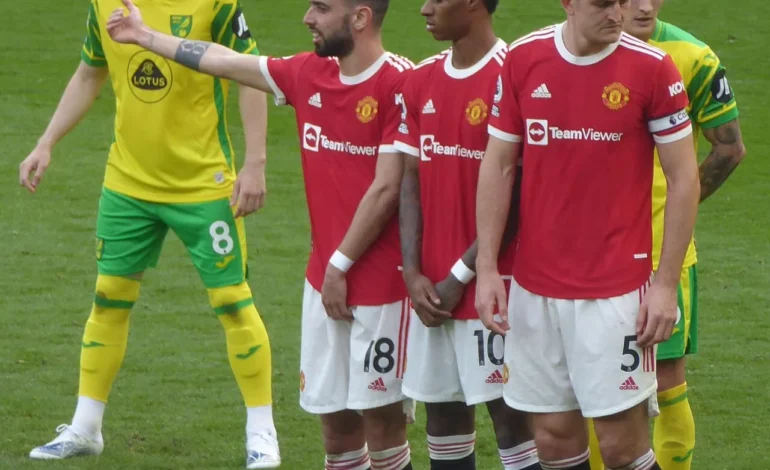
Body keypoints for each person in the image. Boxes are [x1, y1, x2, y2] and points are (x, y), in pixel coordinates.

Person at [104, 0, 416, 469]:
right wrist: (147, 38)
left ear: (359, 18)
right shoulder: (308, 73)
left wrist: (340, 264)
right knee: (335, 428)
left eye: (321, 8)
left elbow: (387, 187)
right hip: (323, 282)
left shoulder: (399, 82)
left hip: (381, 288)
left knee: (382, 426)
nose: (307, 17)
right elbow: (224, 61)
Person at [20, 0, 279, 467]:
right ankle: (86, 427)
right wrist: (46, 141)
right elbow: (89, 71)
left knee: (232, 302)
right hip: (128, 182)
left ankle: (262, 433)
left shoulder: (216, 3)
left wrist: (255, 163)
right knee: (108, 296)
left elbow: (250, 72)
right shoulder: (104, 4)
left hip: (203, 183)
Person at [474, 0, 701, 468]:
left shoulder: (652, 68)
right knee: (554, 439)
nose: (617, 14)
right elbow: (498, 165)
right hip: (535, 289)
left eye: (621, 3)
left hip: (617, 291)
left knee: (620, 445)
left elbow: (684, 179)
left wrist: (664, 285)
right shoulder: (524, 58)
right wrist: (487, 267)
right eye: (603, 3)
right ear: (569, 3)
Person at [584, 2, 746, 470]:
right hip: (587, 257)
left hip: (661, 258)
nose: (644, 6)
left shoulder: (692, 56)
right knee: (594, 387)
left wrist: (675, 213)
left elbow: (730, 147)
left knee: (668, 382)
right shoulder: (577, 49)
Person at [395, 0, 539, 469]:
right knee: (443, 418)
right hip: (433, 289)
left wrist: (464, 272)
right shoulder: (419, 79)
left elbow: (517, 192)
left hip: (496, 285)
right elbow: (410, 179)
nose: (424, 9)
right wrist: (412, 271)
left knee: (511, 419)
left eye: (437, 0)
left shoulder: (512, 73)